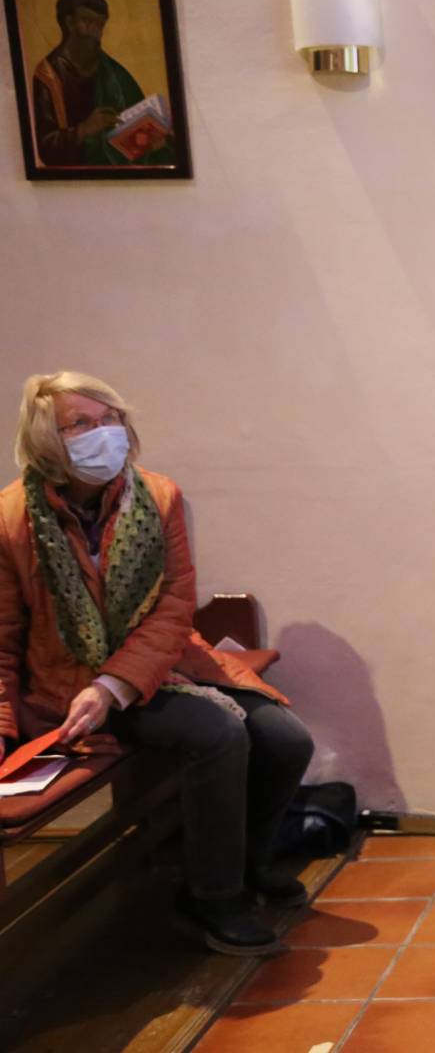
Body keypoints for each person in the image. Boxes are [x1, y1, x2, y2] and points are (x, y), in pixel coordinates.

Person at [0, 373, 315, 956]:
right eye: (82, 424)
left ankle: (246, 864)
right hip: (66, 688)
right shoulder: (11, 519)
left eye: (111, 419)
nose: (105, 434)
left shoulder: (159, 496)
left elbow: (172, 608)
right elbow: (2, 635)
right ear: (47, 439)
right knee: (218, 732)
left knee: (286, 739)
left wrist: (114, 684)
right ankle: (212, 899)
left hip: (159, 664)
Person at [32, 0, 174, 167]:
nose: (94, 31)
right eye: (87, 21)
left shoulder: (113, 72)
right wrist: (83, 130)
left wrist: (156, 141)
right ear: (69, 22)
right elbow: (43, 146)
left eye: (99, 24)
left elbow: (144, 122)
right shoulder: (48, 75)